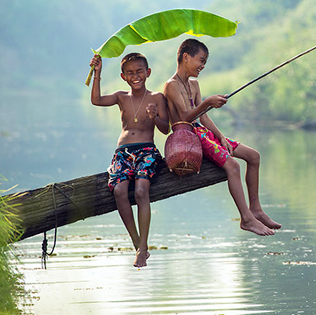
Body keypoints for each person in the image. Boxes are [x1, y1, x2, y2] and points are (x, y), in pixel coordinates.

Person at [163, 38, 281, 236]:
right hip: (189, 137)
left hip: (204, 133)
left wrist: (221, 136)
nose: (202, 66)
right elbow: (184, 116)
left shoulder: (194, 84)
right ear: (185, 57)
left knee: (253, 156)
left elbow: (203, 116)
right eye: (201, 61)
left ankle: (256, 209)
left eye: (205, 63)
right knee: (233, 166)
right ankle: (246, 219)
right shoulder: (171, 85)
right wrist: (207, 102)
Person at [89, 52, 170, 267]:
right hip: (123, 152)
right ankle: (137, 244)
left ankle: (143, 247)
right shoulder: (121, 97)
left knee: (142, 191)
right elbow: (96, 100)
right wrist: (98, 73)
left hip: (147, 151)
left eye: (140, 71)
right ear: (124, 76)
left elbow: (165, 128)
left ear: (148, 72)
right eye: (130, 73)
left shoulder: (157, 98)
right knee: (119, 191)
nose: (136, 76)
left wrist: (155, 117)